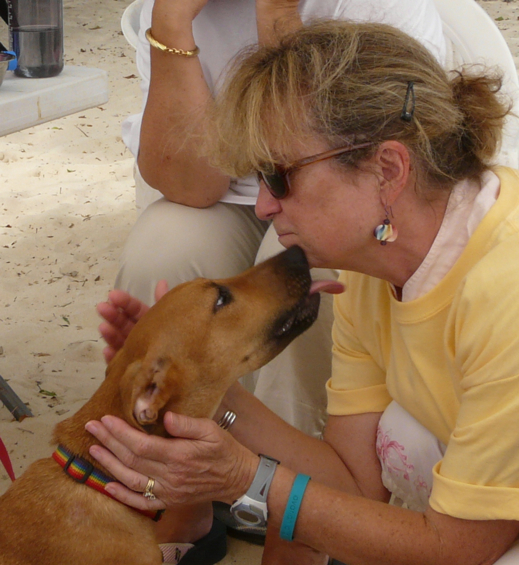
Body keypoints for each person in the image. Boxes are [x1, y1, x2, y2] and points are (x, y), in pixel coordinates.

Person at [91, 20, 519, 565]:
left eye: (278, 175)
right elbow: (353, 483)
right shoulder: (383, 260)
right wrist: (211, 395)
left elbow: (454, 562)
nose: (264, 205)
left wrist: (247, 478)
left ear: (388, 171)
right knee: (402, 440)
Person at [119, 0, 446, 440]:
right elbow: (190, 185)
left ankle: (291, 474)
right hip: (231, 201)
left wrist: (277, 13)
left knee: (300, 258)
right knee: (161, 247)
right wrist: (172, 24)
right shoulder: (166, 12)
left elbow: (377, 168)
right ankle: (171, 464)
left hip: (350, 194)